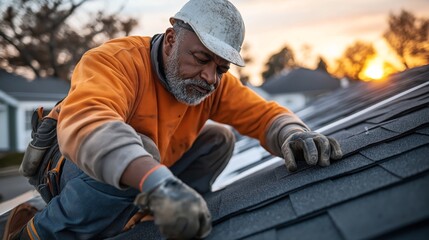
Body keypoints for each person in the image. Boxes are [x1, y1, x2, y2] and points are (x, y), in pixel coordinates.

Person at [4, 0, 342, 239]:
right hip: (71, 167)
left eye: (221, 69)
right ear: (170, 40)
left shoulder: (211, 84)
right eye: (201, 59)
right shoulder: (115, 62)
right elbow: (90, 126)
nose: (210, 77)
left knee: (218, 140)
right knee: (142, 149)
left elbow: (264, 114)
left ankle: (152, 215)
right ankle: (38, 231)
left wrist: (294, 134)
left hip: (143, 170)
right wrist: (157, 182)